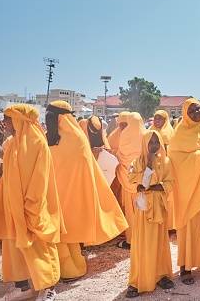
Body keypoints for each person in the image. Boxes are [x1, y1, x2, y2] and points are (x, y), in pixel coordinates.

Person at [45, 101, 128, 281]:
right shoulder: (50, 138)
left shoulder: (76, 139)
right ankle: (63, 269)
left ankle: (69, 269)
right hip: (53, 194)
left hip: (71, 195)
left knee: (68, 235)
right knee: (62, 235)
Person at [0, 104, 63, 301]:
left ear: (19, 119)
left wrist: (31, 204)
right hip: (13, 206)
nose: (4, 122)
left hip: (31, 206)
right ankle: (23, 287)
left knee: (38, 245)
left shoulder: (37, 142)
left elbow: (40, 178)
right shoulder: (14, 142)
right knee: (14, 246)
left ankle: (48, 287)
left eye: (8, 118)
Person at [167, 98, 200, 285]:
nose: (197, 113)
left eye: (199, 109)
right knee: (188, 226)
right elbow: (177, 159)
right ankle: (185, 266)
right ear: (186, 114)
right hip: (188, 189)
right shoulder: (179, 134)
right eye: (192, 111)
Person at [126, 130, 175, 297]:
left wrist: (152, 186)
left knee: (159, 242)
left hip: (159, 207)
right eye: (150, 142)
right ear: (144, 144)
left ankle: (161, 275)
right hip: (144, 208)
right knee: (142, 243)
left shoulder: (166, 161)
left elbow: (169, 183)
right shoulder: (137, 162)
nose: (154, 146)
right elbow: (133, 181)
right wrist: (148, 168)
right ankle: (137, 280)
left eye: (156, 142)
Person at [108, 112, 144, 249]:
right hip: (144, 184)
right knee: (145, 211)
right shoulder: (147, 137)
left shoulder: (124, 137)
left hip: (129, 182)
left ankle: (131, 240)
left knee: (131, 211)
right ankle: (146, 239)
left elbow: (121, 158)